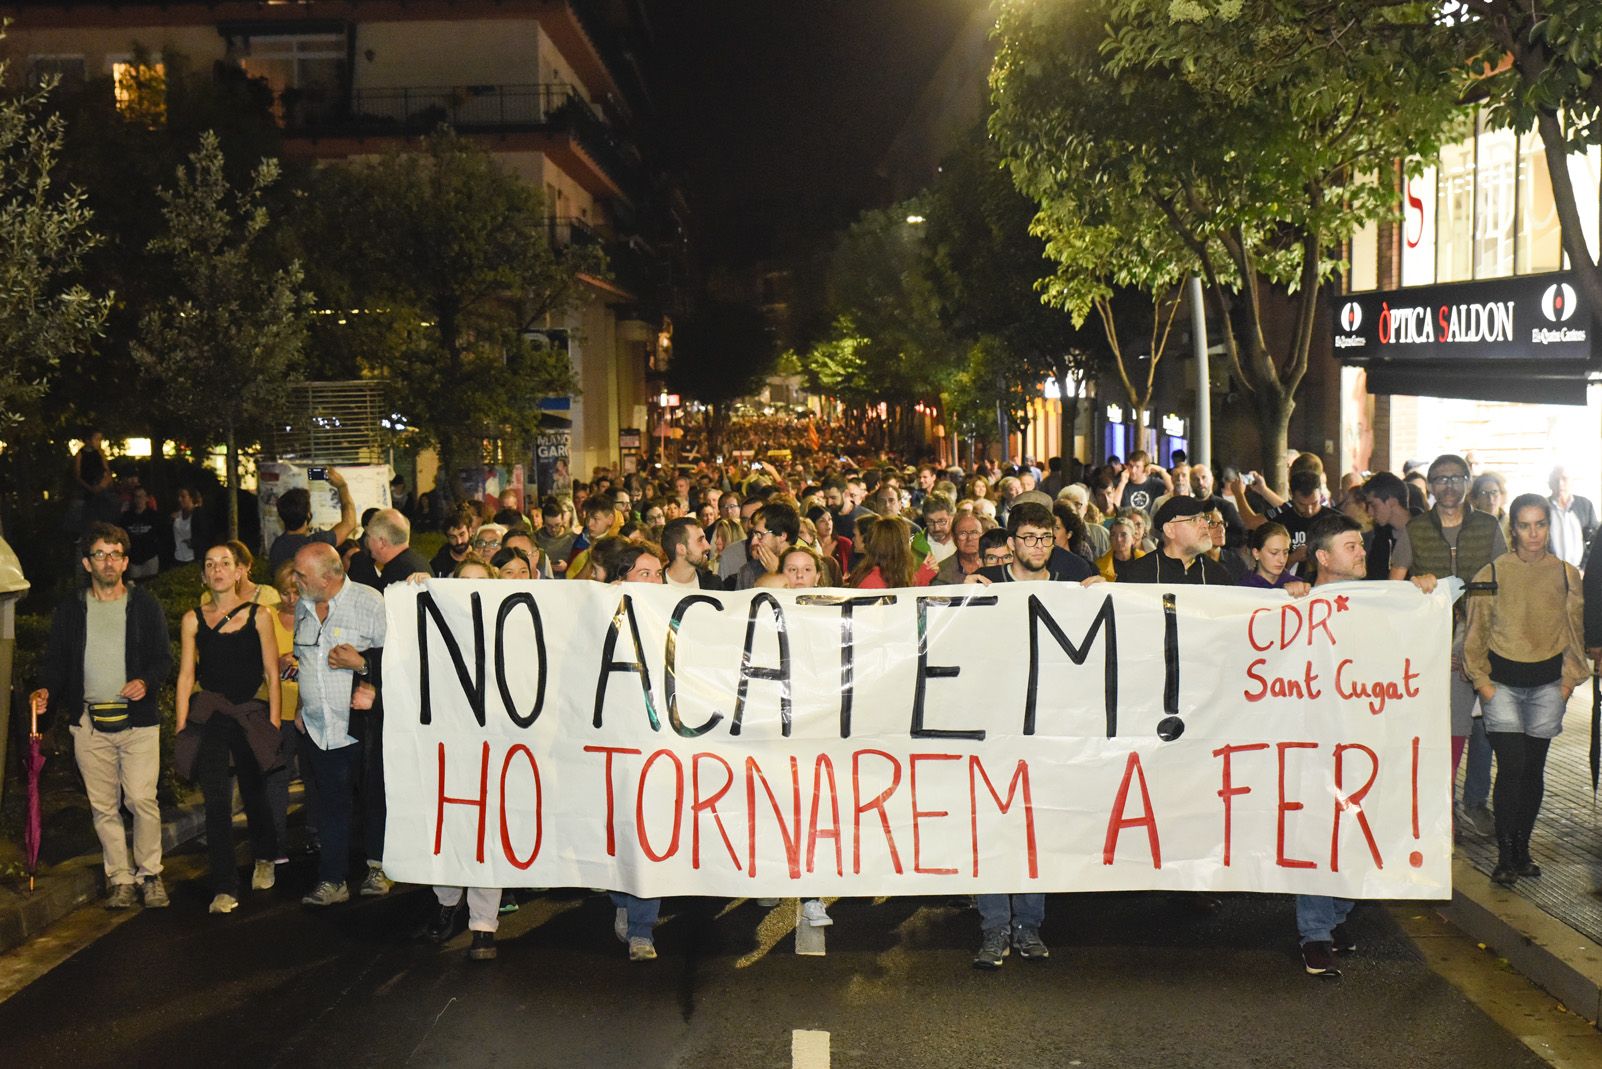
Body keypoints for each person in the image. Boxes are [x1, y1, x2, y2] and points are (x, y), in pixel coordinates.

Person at [1296, 513, 1435, 978]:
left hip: (1363, 740)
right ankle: (1315, 934)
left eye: (1360, 544)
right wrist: (1286, 599)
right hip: (1312, 739)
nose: (1361, 553)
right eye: (1351, 546)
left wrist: (1423, 597)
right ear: (1322, 558)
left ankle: (1335, 917)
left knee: (1356, 826)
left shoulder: (1378, 601)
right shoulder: (1297, 602)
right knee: (1320, 830)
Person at [31, 523, 173, 909]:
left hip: (138, 722)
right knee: (104, 806)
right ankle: (120, 878)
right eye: (100, 554)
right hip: (89, 724)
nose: (108, 562)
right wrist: (46, 691)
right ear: (86, 563)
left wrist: (146, 680)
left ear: (126, 562)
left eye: (115, 554)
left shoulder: (145, 606)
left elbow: (164, 659)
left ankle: (150, 874)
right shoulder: (72, 609)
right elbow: (57, 663)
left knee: (142, 799)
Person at [1464, 494, 1588, 887]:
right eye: (1524, 525)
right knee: (1512, 767)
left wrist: (1568, 682)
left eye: (1540, 525)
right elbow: (1474, 634)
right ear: (1512, 528)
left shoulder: (1566, 574)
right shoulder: (1492, 572)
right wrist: (1482, 683)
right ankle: (1504, 854)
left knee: (1533, 770)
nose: (1532, 534)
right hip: (1501, 686)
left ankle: (1522, 850)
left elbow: (1575, 632)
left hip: (1549, 685)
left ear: (1549, 527)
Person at [1392, 454, 1506, 835]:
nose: (1448, 486)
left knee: (1468, 726)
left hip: (1478, 636)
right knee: (1431, 727)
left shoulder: (1489, 526)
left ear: (1468, 482)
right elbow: (1395, 589)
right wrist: (1416, 585)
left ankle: (1454, 807)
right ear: (1430, 486)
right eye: (1440, 479)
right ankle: (1439, 805)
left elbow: (1503, 584)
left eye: (1456, 478)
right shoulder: (1415, 529)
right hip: (1429, 642)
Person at [176, 543, 282, 914]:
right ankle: (224, 886)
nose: (217, 569)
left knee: (254, 790)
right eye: (210, 564)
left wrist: (272, 724)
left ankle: (265, 855)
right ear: (204, 575)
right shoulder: (192, 619)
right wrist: (182, 726)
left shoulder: (260, 615)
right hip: (212, 714)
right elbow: (187, 675)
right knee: (216, 800)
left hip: (250, 712)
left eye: (225, 563)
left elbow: (272, 672)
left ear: (239, 571)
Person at [291, 542, 387, 906]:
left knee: (373, 798)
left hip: (362, 725)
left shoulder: (370, 603)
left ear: (330, 575)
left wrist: (363, 667)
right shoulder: (303, 606)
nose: (295, 580)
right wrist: (302, 705)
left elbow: (396, 660)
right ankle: (333, 879)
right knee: (330, 805)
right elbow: (306, 660)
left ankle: (377, 868)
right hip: (318, 727)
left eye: (302, 574)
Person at [588, 537, 666, 960]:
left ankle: (642, 928)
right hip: (613, 742)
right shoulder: (599, 615)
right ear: (622, 580)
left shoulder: (678, 615)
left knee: (648, 830)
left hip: (657, 746)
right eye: (644, 573)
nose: (655, 581)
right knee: (620, 828)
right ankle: (622, 900)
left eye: (658, 573)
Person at [965, 501, 1098, 590]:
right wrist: (963, 595)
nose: (1039, 545)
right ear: (1011, 543)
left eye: (1046, 537)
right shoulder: (985, 581)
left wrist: (1103, 592)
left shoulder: (1068, 586)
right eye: (1030, 537)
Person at [1116, 497, 1231, 585]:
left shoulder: (1218, 575)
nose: (1206, 525)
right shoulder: (1137, 575)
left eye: (1205, 518)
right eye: (1195, 519)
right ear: (1170, 530)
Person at [268, 470, 357, 573]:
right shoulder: (314, 544)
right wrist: (342, 486)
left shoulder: (276, 546)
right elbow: (349, 523)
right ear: (308, 515)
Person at [848, 515, 937, 588]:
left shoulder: (883, 574)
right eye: (907, 541)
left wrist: (923, 575)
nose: (910, 546)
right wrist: (922, 577)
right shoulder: (872, 582)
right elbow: (901, 601)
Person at [1361, 472, 1415, 581]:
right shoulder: (1380, 537)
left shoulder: (1426, 531)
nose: (1369, 512)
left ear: (1391, 502)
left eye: (1373, 505)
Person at [737, 502, 799, 589]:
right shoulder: (748, 571)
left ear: (782, 536)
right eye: (753, 534)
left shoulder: (807, 566)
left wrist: (778, 573)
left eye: (760, 535)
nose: (753, 542)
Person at [1546, 465, 1597, 567]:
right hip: (1551, 574)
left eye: (1564, 479)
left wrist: (1584, 568)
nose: (1560, 483)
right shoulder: (1542, 507)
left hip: (1581, 573)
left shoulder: (1585, 505)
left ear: (1572, 481)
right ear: (1550, 484)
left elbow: (1594, 540)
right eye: (1556, 480)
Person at [662, 516, 724, 590]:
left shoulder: (713, 584)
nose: (708, 546)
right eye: (700, 540)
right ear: (681, 549)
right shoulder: (656, 585)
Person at [121, 486, 163, 579]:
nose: (138, 499)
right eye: (136, 497)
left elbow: (160, 534)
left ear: (147, 498)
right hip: (134, 558)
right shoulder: (127, 517)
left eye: (141, 496)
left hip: (150, 557)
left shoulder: (154, 516)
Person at [1241, 523, 1297, 589]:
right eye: (1274, 553)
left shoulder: (1298, 586)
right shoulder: (1243, 588)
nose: (1282, 560)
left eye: (1285, 552)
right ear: (1256, 553)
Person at [169, 486, 214, 567]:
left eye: (183, 497)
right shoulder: (176, 515)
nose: (179, 499)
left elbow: (206, 535)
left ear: (191, 498)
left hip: (193, 558)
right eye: (179, 496)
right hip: (178, 557)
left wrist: (193, 542)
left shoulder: (199, 514)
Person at [935, 511, 985, 584]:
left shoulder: (995, 563)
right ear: (954, 538)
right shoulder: (941, 571)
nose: (969, 539)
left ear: (983, 535)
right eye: (963, 534)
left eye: (974, 532)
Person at [534, 497, 576, 576]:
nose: (553, 529)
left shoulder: (573, 538)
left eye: (557, 525)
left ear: (562, 520)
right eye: (549, 526)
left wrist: (568, 566)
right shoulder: (535, 538)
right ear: (543, 522)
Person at [807, 505, 852, 578]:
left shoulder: (845, 543)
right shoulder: (808, 546)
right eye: (822, 521)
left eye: (830, 519)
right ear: (813, 525)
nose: (828, 524)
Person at [1096, 517, 1144, 581]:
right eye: (1113, 535)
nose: (1118, 539)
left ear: (1133, 539)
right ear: (1110, 539)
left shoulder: (1147, 562)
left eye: (1123, 535)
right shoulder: (1099, 566)